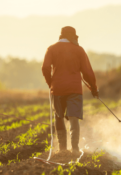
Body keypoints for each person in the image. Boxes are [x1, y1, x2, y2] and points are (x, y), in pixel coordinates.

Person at [42, 26, 98, 155]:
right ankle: (75, 149)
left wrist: (51, 83)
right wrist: (94, 88)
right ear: (72, 36)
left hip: (57, 89)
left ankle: (62, 149)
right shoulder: (79, 50)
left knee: (59, 116)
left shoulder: (51, 49)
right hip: (74, 89)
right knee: (74, 118)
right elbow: (87, 72)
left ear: (61, 36)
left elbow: (45, 67)